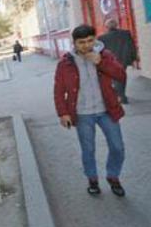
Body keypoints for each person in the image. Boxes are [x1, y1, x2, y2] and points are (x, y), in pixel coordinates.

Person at [54, 25, 127, 196]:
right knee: (88, 149)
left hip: (107, 111)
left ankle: (113, 176)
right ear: (74, 43)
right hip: (82, 113)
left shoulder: (105, 55)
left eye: (90, 41)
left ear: (95, 39)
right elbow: (58, 90)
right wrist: (63, 113)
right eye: (82, 42)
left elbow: (121, 75)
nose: (87, 45)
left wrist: (101, 62)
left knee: (117, 147)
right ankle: (92, 179)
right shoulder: (65, 63)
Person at [98, 18, 139, 104]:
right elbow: (132, 46)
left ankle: (120, 95)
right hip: (123, 59)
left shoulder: (102, 38)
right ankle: (121, 95)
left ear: (106, 27)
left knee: (115, 78)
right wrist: (134, 59)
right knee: (121, 77)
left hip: (110, 61)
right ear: (117, 25)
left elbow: (100, 51)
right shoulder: (126, 33)